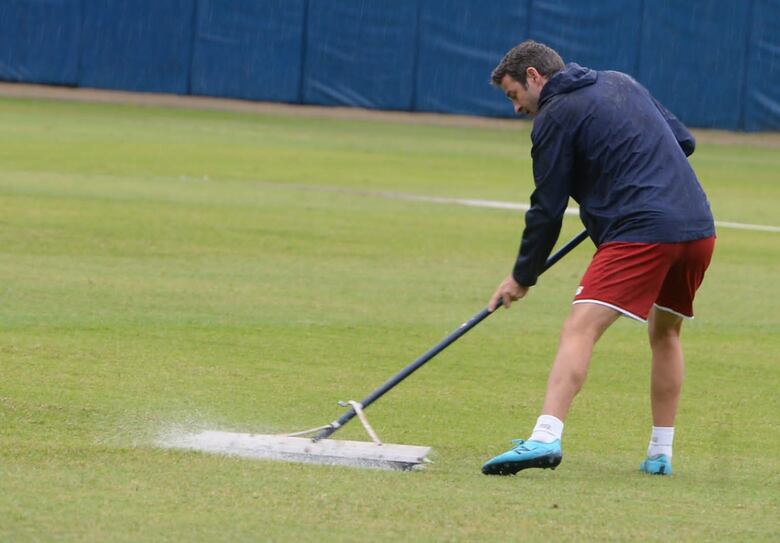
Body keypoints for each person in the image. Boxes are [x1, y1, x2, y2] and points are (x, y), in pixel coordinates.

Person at [481, 40, 715, 476]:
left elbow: (547, 208)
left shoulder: (553, 116)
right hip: (698, 228)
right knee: (666, 333)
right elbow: (684, 141)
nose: (516, 109)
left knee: (580, 327)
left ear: (534, 76)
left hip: (642, 232)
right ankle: (660, 454)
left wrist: (522, 276)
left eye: (514, 95)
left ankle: (545, 437)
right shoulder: (620, 81)